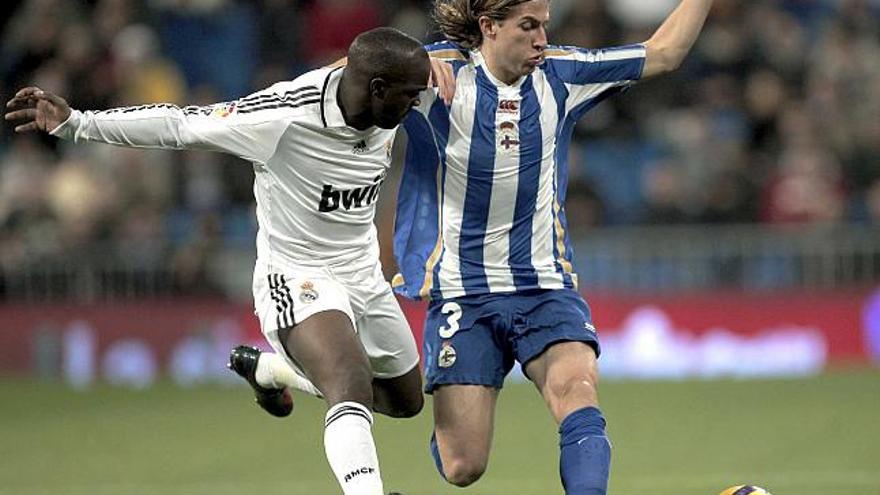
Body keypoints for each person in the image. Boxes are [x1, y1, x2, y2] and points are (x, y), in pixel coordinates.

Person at [5, 27, 430, 495]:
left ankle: (270, 370)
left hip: (363, 273)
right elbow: (180, 124)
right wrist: (78, 123)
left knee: (405, 401)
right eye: (409, 97)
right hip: (298, 274)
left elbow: (441, 66)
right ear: (376, 88)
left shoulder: (388, 94)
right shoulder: (284, 116)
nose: (415, 105)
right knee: (349, 385)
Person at [392, 0, 715, 493]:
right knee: (463, 466)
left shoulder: (563, 74)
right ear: (488, 28)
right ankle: (448, 426)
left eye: (544, 24)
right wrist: (400, 60)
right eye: (528, 26)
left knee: (578, 393)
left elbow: (664, 52)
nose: (542, 38)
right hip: (462, 291)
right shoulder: (437, 77)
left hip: (545, 284)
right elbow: (346, 73)